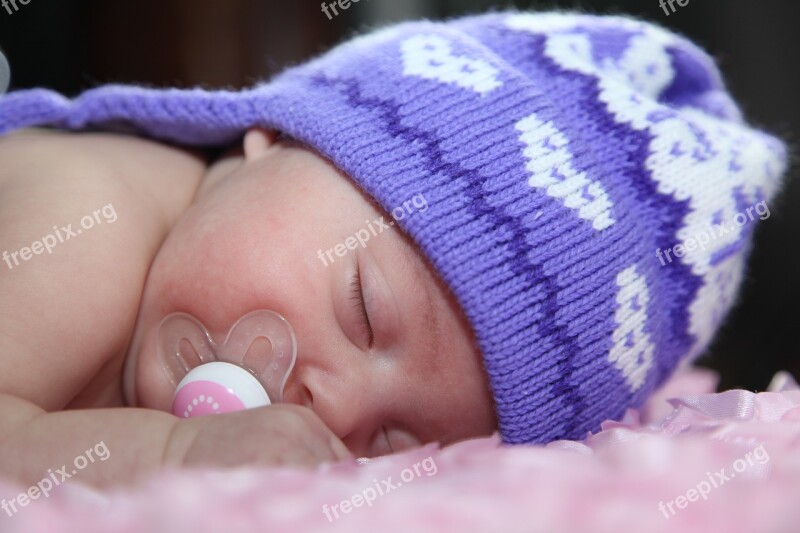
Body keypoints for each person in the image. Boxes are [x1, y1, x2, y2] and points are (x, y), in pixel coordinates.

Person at [0, 11, 786, 488]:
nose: (336, 406)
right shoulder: (88, 217)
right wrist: (171, 454)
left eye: (393, 439)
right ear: (274, 140)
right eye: (362, 312)